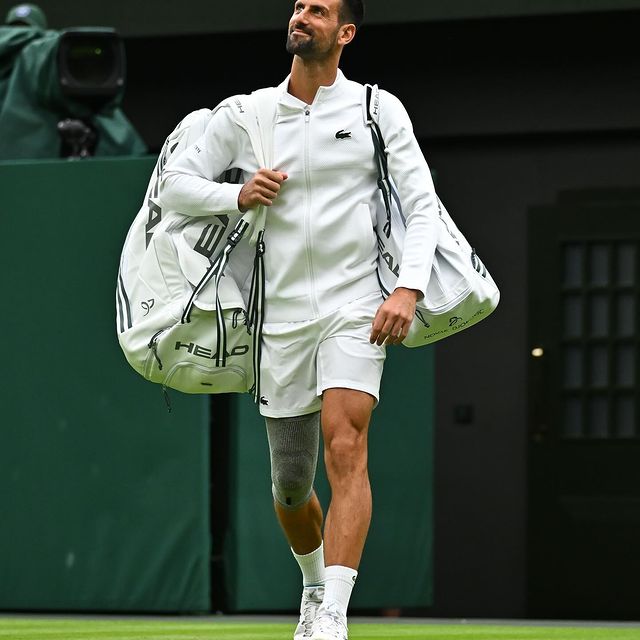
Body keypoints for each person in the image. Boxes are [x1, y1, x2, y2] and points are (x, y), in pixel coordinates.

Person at [160, 1, 437, 638]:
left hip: (354, 307)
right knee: (290, 488)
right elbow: (173, 183)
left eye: (317, 9)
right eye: (297, 5)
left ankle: (332, 617)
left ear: (345, 33)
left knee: (348, 444)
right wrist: (234, 193)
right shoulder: (248, 114)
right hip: (279, 319)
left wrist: (408, 288)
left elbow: (421, 206)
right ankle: (314, 585)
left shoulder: (376, 109)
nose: (301, 15)